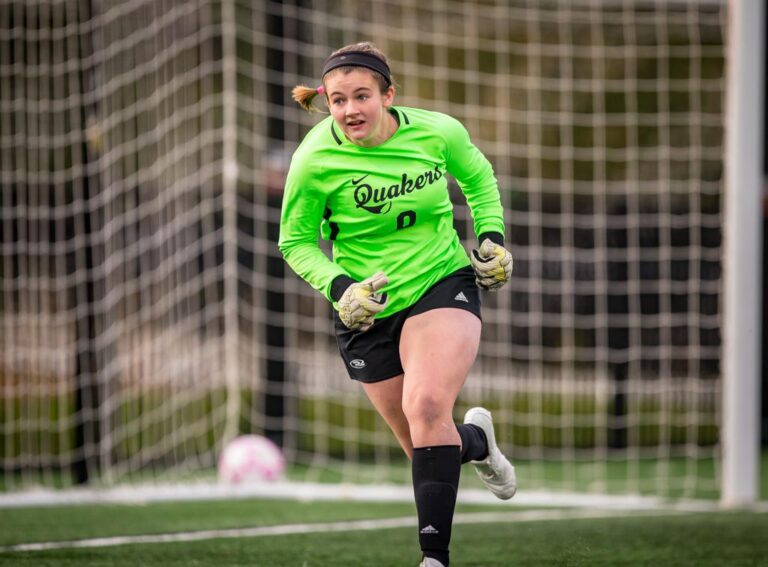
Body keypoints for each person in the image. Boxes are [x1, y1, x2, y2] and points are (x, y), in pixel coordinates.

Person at [279, 41, 516, 567]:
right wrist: (341, 289)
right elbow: (294, 242)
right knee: (426, 444)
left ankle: (433, 559)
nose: (349, 110)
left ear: (388, 95)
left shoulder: (438, 131)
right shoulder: (314, 159)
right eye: (337, 100)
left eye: (361, 96)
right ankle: (477, 442)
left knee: (427, 406)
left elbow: (478, 178)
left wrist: (492, 237)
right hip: (369, 307)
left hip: (440, 280)